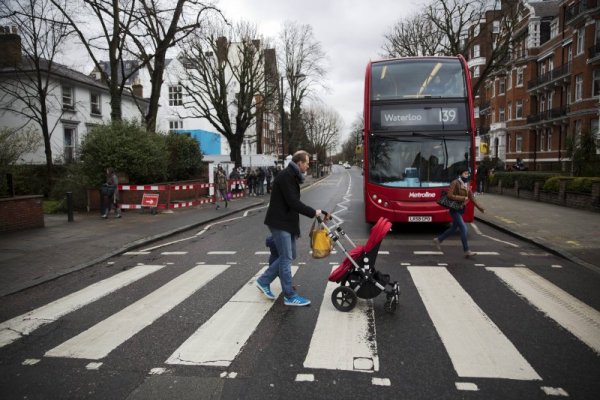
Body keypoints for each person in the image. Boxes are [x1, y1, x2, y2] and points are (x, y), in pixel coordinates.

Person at [255, 150, 328, 306]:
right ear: (299, 163)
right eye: (307, 163)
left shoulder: (292, 176)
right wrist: (313, 212)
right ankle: (289, 295)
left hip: (286, 223)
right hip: (279, 222)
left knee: (290, 255)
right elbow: (293, 203)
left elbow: (291, 205)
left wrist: (295, 230)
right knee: (286, 258)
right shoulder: (286, 176)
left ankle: (264, 280)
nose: (308, 165)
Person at [433, 168, 485, 258]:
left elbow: (471, 197)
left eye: (467, 174)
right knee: (464, 228)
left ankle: (438, 239)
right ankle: (466, 250)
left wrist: (479, 207)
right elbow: (449, 195)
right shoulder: (455, 182)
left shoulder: (467, 184)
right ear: (460, 174)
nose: (467, 175)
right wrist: (461, 198)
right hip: (454, 209)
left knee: (453, 228)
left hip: (461, 209)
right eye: (465, 173)